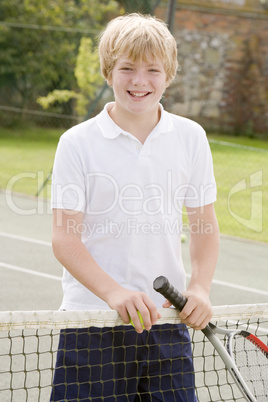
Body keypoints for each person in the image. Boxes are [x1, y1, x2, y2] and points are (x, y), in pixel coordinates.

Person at [50, 13, 220, 401]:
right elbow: (64, 239)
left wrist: (200, 287)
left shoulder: (191, 137)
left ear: (169, 74)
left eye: (152, 70)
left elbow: (204, 226)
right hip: (92, 325)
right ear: (109, 72)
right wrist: (114, 293)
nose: (140, 81)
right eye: (127, 68)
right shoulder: (76, 143)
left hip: (166, 325)